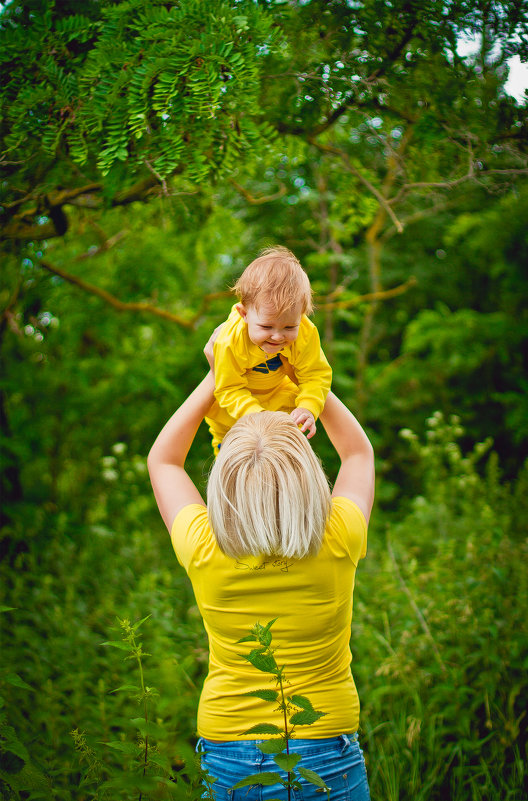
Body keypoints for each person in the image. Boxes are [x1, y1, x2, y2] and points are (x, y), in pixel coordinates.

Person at [148, 347, 374, 799]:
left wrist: (222, 371)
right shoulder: (338, 538)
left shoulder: (205, 547)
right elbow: (358, 454)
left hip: (230, 751)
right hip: (327, 749)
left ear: (225, 479)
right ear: (308, 475)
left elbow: (163, 460)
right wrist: (308, 373)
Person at [205, 246, 333, 454]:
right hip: (235, 409)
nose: (277, 336)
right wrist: (258, 416)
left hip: (278, 394)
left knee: (287, 435)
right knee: (229, 437)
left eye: (289, 327)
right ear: (243, 313)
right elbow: (229, 389)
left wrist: (308, 407)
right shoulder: (230, 340)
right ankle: (225, 454)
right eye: (266, 327)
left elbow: (315, 375)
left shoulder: (305, 332)